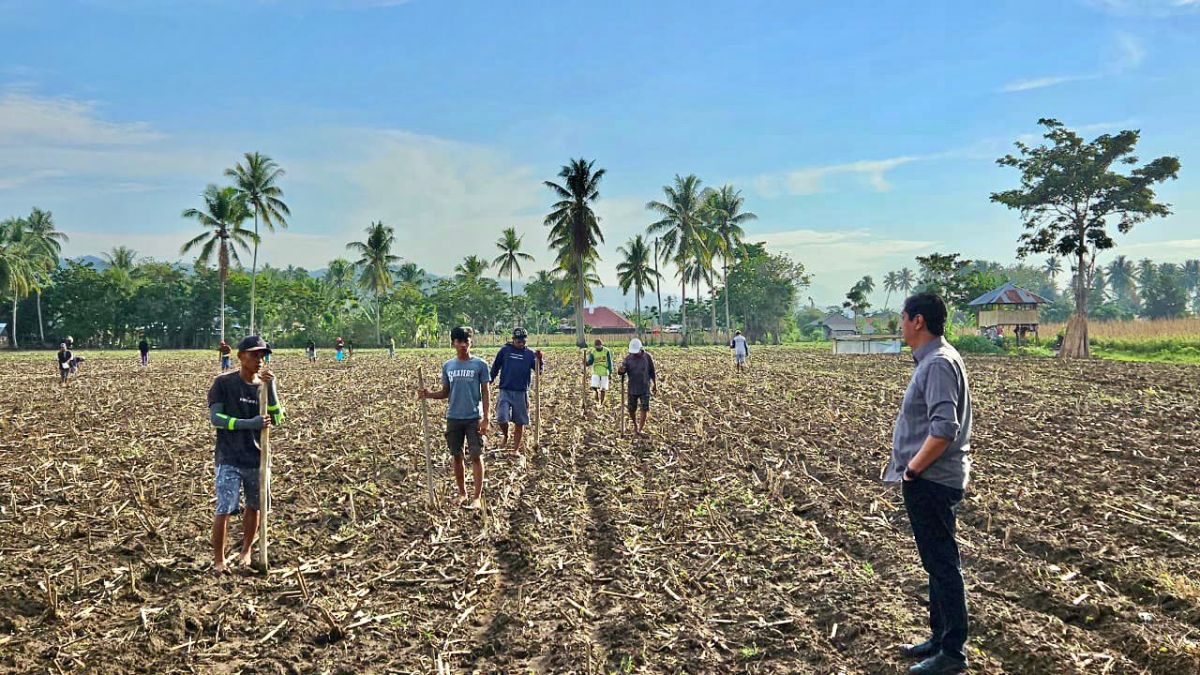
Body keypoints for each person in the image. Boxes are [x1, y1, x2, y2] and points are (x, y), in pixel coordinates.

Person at [889, 293, 973, 675]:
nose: (901, 324)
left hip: (932, 479)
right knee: (936, 563)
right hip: (932, 478)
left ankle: (952, 654)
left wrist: (912, 470)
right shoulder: (936, 359)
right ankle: (939, 639)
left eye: (903, 318)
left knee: (942, 564)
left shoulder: (938, 364)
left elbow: (944, 428)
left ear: (918, 321)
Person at [206, 336, 284, 574]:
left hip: (258, 457)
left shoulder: (264, 384)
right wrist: (248, 423)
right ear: (240, 357)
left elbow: (278, 418)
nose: (259, 360)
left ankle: (246, 551)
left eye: (262, 356)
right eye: (253, 355)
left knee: (255, 506)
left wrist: (270, 388)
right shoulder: (223, 383)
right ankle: (219, 560)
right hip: (229, 457)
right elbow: (216, 419)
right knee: (225, 508)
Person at [418, 326, 491, 510]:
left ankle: (476, 497)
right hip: (454, 417)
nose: (463, 345)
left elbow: (486, 392)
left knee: (476, 455)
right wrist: (428, 394)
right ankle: (462, 493)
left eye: (466, 341)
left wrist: (486, 418)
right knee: (456, 455)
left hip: (474, 416)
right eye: (459, 341)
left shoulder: (480, 365)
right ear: (453, 343)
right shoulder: (448, 366)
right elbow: (445, 392)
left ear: (470, 342)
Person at [489, 327, 544, 457]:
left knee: (520, 421)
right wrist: (489, 381)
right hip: (505, 390)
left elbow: (539, 371)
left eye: (523, 341)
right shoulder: (505, 351)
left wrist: (540, 359)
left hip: (521, 392)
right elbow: (495, 367)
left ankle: (516, 449)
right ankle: (506, 435)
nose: (521, 343)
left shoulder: (530, 354)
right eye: (518, 340)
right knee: (502, 417)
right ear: (513, 340)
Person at [617, 338, 656, 435]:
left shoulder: (647, 357)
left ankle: (640, 428)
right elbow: (622, 370)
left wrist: (655, 385)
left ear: (640, 349)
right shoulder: (628, 359)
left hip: (644, 387)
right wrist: (621, 370)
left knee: (644, 408)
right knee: (631, 409)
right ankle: (635, 425)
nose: (634, 354)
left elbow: (652, 372)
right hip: (632, 388)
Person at [586, 338, 614, 406]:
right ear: (595, 346)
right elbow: (590, 361)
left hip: (604, 371)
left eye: (599, 346)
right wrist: (586, 363)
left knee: (603, 389)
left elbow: (610, 363)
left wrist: (610, 372)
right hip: (596, 371)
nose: (598, 347)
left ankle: (601, 403)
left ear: (601, 345)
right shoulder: (593, 352)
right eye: (596, 346)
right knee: (594, 386)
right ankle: (596, 395)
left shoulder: (606, 351)